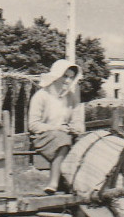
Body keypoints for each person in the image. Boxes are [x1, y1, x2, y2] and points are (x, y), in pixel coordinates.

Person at [29, 59, 84, 194]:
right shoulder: (41, 96)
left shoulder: (71, 97)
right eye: (65, 76)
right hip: (42, 136)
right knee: (63, 141)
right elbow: (33, 124)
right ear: (56, 76)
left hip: (65, 135)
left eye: (71, 78)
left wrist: (75, 128)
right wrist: (57, 129)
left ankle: (78, 182)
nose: (67, 81)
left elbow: (77, 120)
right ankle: (53, 182)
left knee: (83, 142)